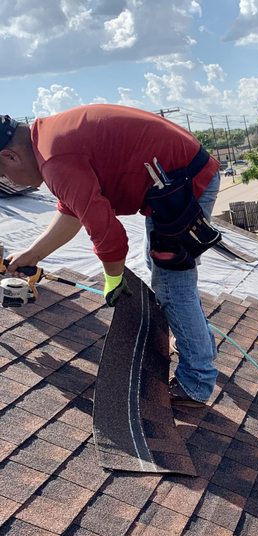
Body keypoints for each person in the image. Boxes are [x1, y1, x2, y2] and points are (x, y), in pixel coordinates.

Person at [0, 105, 221, 406]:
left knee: (171, 282)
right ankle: (200, 344)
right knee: (164, 268)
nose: (10, 181)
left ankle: (196, 381)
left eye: (3, 174)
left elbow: (109, 235)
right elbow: (73, 210)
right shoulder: (47, 141)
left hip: (185, 182)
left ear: (10, 156)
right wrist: (32, 254)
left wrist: (113, 278)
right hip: (174, 177)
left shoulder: (54, 159)